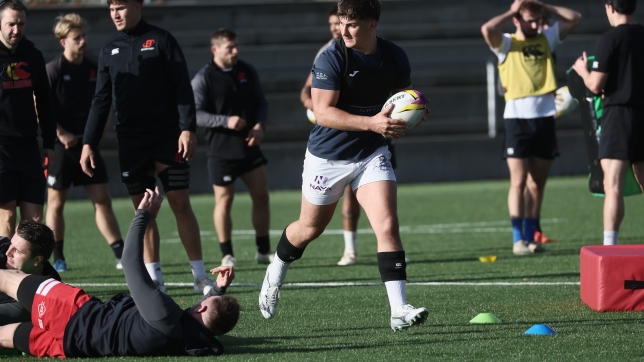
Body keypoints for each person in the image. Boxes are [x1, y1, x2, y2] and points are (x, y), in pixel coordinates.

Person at [259, 0, 429, 332]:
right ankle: (276, 268)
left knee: (388, 226)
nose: (343, 30)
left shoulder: (395, 57)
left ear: (372, 25)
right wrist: (373, 124)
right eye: (341, 22)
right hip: (328, 156)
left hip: (371, 152)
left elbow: (401, 101)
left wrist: (412, 114)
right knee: (310, 229)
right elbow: (323, 112)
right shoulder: (332, 56)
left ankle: (398, 309)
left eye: (352, 24)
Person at [0, 188, 240, 357]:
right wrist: (219, 289)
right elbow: (197, 319)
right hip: (73, 346)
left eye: (207, 299)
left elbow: (130, 261)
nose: (202, 301)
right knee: (3, 337)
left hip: (74, 313)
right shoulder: (197, 342)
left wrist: (143, 216)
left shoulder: (164, 314)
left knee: (8, 277)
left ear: (204, 307)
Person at [80, 0, 213, 294]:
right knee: (145, 211)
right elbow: (101, 101)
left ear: (138, 6)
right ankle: (156, 281)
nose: (115, 13)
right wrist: (88, 142)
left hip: (167, 137)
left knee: (179, 202)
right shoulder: (108, 49)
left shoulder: (162, 40)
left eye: (121, 7)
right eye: (111, 7)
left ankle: (200, 276)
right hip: (130, 140)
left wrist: (187, 128)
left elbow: (181, 86)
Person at [481, 0, 581, 255]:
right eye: (531, 20)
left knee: (537, 183)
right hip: (517, 120)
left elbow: (575, 17)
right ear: (517, 19)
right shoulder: (506, 43)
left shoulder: (546, 38)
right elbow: (486, 29)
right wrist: (512, 11)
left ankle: (531, 236)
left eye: (539, 20)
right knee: (519, 181)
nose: (537, 25)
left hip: (545, 117)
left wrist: (545, 7)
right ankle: (517, 240)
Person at [45, 13, 125, 272]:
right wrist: (61, 135)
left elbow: (105, 103)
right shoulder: (53, 70)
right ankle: (57, 256)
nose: (82, 41)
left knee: (102, 200)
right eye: (76, 37)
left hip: (88, 147)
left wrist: (96, 134)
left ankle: (120, 254)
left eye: (83, 36)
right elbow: (41, 109)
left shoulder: (93, 68)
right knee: (56, 203)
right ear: (63, 42)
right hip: (61, 149)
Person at [191, 28, 273, 268]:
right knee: (224, 202)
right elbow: (194, 114)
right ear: (215, 50)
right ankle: (227, 253)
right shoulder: (203, 78)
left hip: (249, 147)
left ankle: (263, 250)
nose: (236, 51)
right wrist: (225, 121)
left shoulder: (247, 70)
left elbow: (261, 103)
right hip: (221, 151)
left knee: (261, 197)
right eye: (230, 48)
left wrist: (259, 126)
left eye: (236, 46)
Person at [572, 0, 644, 246]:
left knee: (612, 184)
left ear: (610, 8)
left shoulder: (610, 39)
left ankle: (610, 247)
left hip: (620, 115)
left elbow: (595, 85)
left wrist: (582, 70)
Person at [0, 0, 56, 238]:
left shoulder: (33, 56)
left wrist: (49, 144)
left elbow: (44, 102)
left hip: (28, 148)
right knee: (7, 215)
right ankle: (4, 271)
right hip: (1, 149)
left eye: (21, 24)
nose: (16, 29)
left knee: (33, 221)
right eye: (11, 24)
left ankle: (26, 274)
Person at [0, 221, 60, 326]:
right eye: (11, 244)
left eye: (17, 251)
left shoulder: (45, 291)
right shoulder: (2, 250)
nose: (8, 253)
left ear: (37, 260)